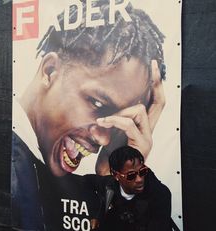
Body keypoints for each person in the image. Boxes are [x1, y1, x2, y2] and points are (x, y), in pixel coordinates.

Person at [12, 0, 166, 230]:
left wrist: (116, 173)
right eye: (96, 102)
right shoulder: (11, 168)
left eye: (120, 120)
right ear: (49, 71)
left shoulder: (34, 164)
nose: (105, 139)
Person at [87, 145, 172, 231]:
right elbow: (87, 181)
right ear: (116, 175)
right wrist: (95, 213)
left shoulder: (160, 195)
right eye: (131, 175)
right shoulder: (109, 185)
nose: (139, 179)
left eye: (142, 171)